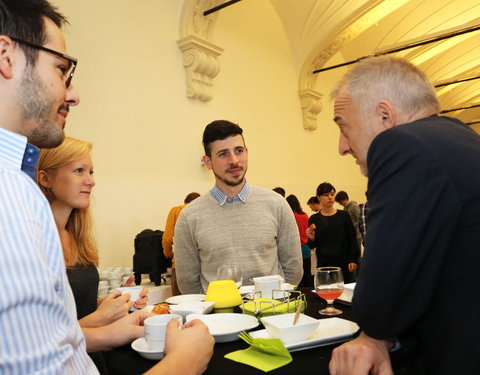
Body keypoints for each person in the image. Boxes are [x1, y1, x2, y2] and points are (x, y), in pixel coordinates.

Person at [0, 1, 213, 373]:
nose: (73, 95)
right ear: (6, 55)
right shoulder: (11, 195)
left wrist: (111, 327)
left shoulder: (19, 186)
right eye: (61, 68)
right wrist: (187, 358)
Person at [328, 56, 480, 375]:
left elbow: (378, 309)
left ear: (385, 115)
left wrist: (374, 334)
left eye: (343, 125)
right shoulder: (459, 139)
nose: (342, 146)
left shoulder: (402, 144)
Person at [36, 137, 149, 373]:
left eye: (91, 171)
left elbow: (74, 306)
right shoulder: (34, 242)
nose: (91, 181)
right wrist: (100, 317)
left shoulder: (75, 237)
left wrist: (114, 304)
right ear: (45, 178)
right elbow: (39, 340)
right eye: (79, 171)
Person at [174, 120, 303, 294]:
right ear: (208, 162)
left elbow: (293, 268)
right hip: (218, 318)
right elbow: (188, 282)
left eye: (239, 151)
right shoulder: (189, 217)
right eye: (223, 154)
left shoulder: (276, 204)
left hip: (271, 314)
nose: (234, 161)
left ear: (247, 153)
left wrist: (274, 299)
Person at [306, 182, 359, 283]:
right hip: (324, 264)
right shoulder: (314, 219)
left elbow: (352, 238)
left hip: (343, 264)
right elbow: (312, 245)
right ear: (319, 197)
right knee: (324, 293)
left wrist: (353, 259)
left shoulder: (344, 215)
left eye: (332, 194)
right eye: (326, 195)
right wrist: (312, 238)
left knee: (344, 295)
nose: (330, 197)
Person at [162, 191, 200, 296]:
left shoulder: (176, 210)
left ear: (185, 202)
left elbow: (167, 239)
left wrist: (168, 254)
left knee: (180, 300)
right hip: (204, 264)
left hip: (180, 263)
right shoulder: (205, 211)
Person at [286, 194, 312, 287]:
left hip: (296, 248)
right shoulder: (305, 215)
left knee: (298, 276)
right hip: (306, 247)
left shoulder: (291, 216)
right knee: (307, 274)